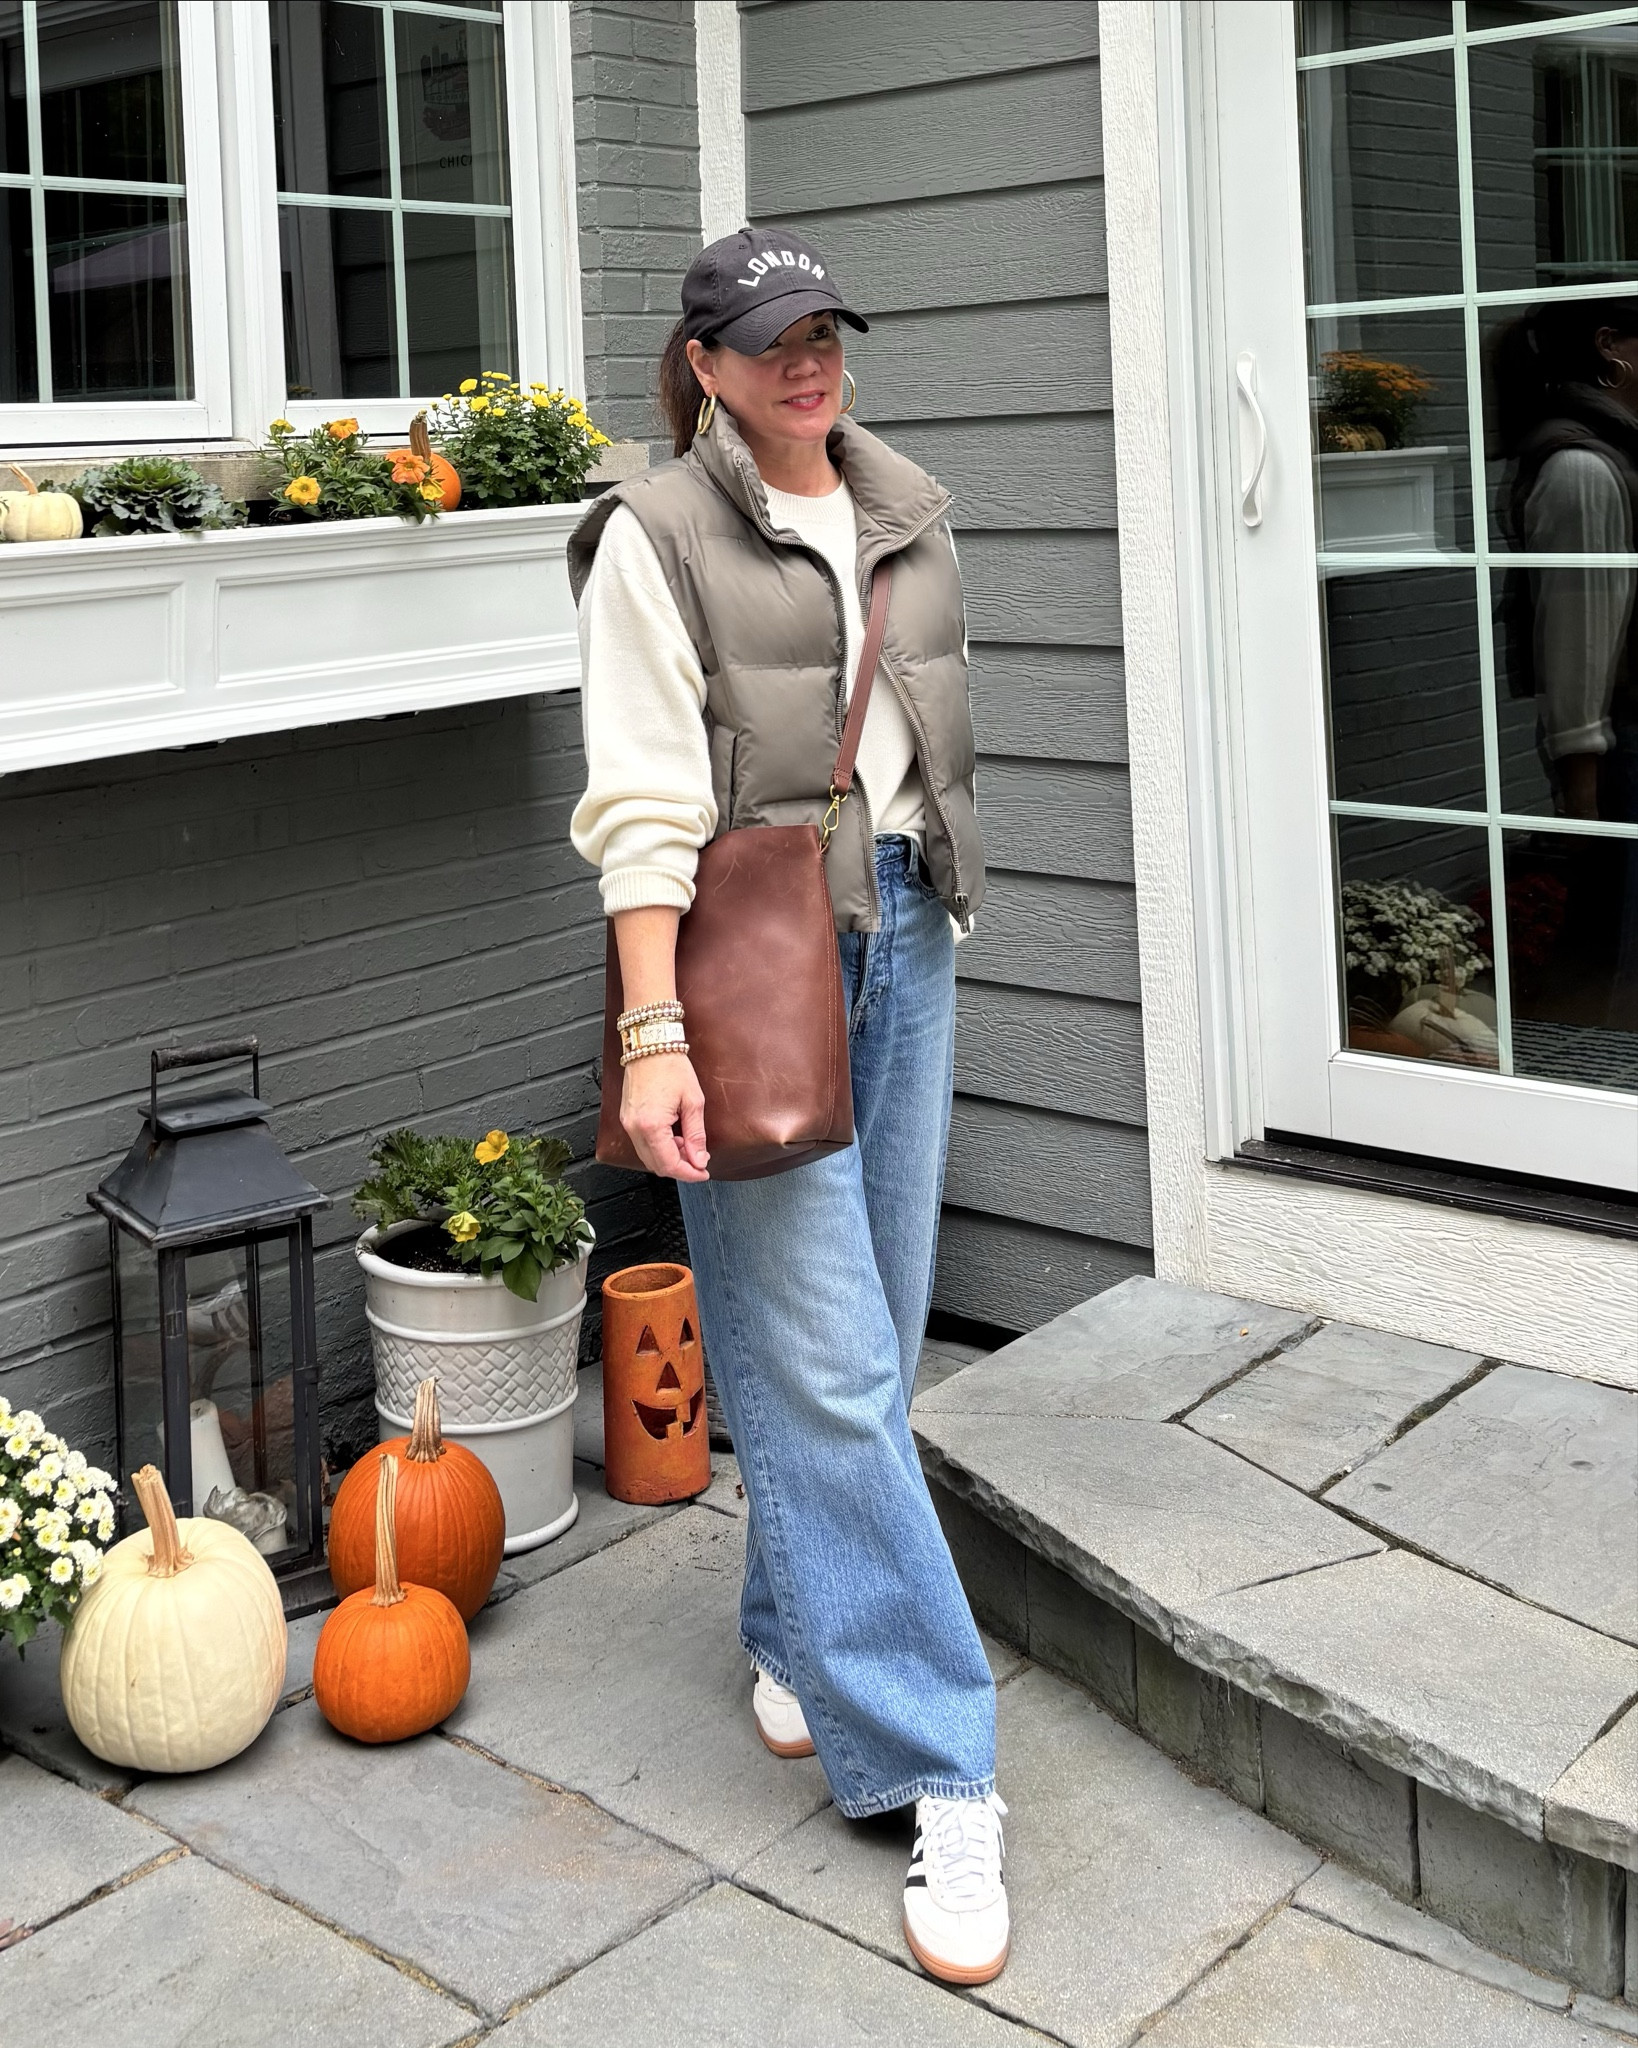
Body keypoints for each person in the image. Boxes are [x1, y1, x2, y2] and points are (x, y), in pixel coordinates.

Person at [568, 227, 1007, 1985]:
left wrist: (942, 894)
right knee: (821, 1362)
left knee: (868, 1341)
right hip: (750, 970)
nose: (806, 360)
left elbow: (918, 732)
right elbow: (637, 803)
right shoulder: (654, 538)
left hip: (906, 928)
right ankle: (940, 1764)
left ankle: (795, 1633)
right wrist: (653, 1028)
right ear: (708, 366)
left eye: (824, 329)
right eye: (768, 340)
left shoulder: (904, 501)